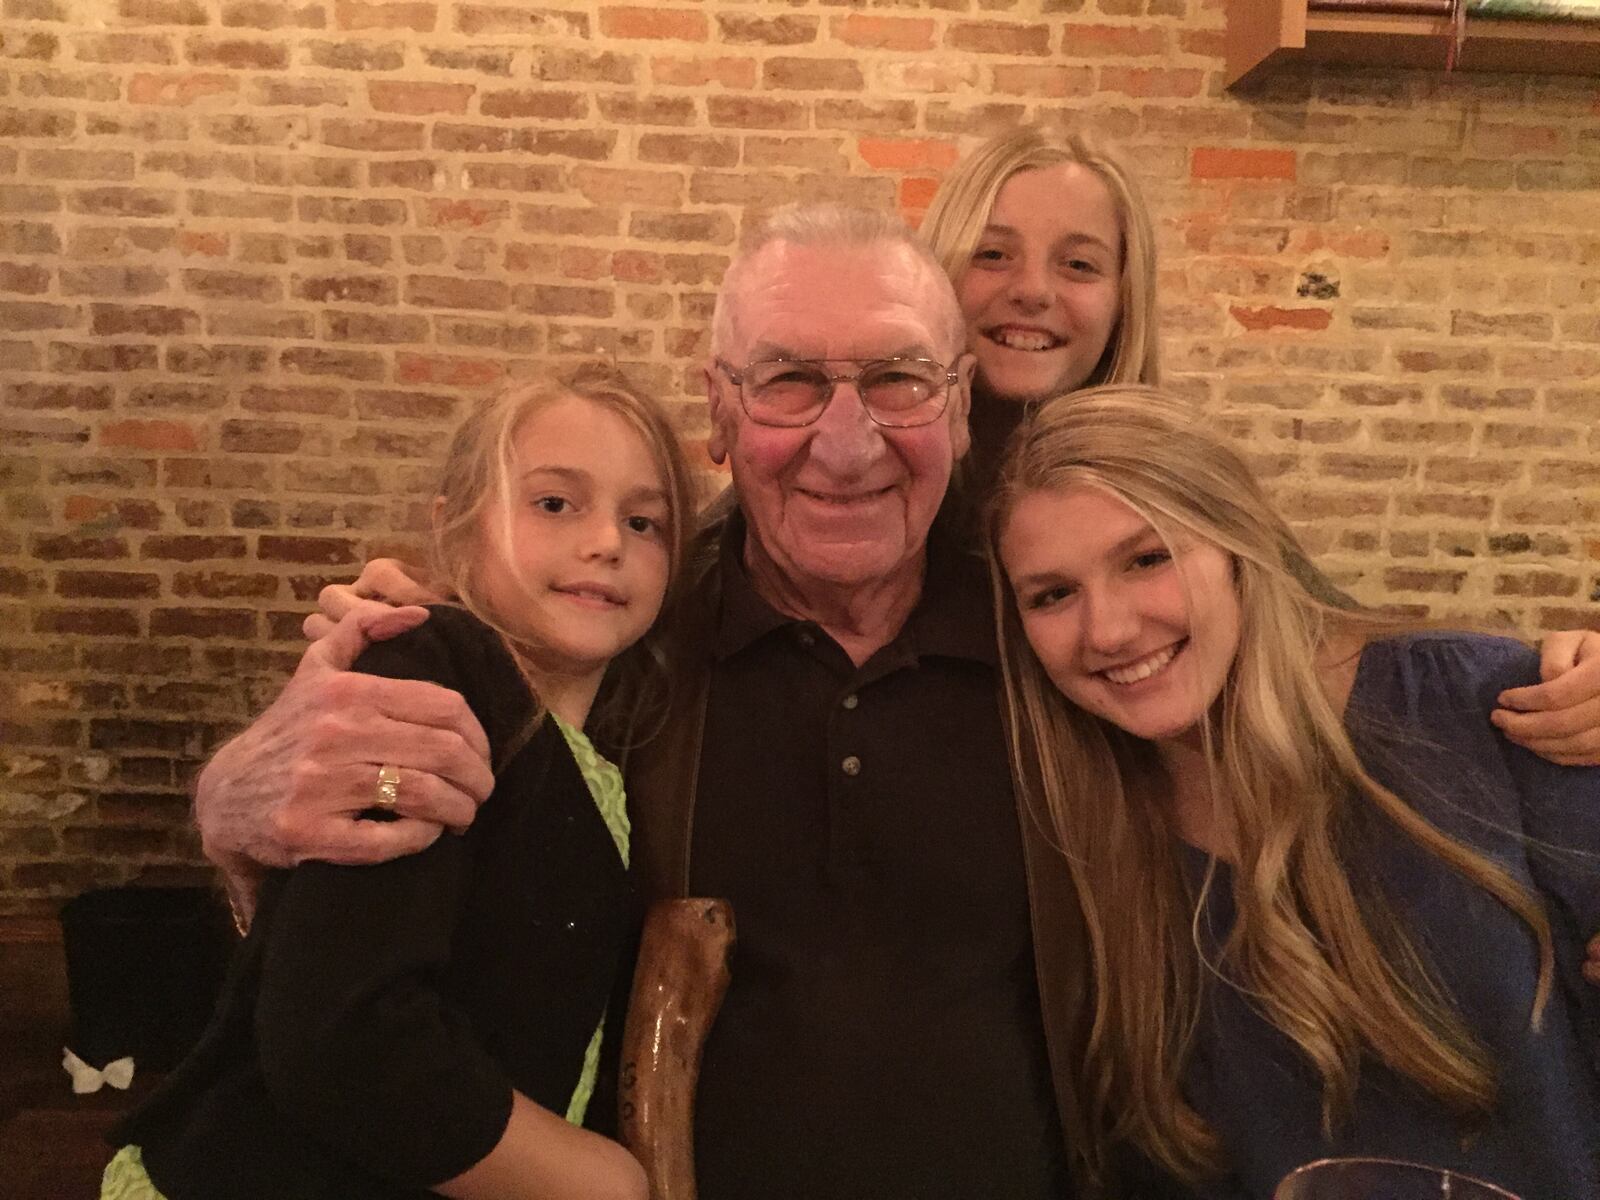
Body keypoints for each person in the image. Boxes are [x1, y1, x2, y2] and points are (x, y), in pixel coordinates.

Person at [188, 184, 1600, 1192]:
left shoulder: (1058, 630)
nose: (848, 441)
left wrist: (1549, 688)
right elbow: (382, 866)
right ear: (721, 408)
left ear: (962, 401)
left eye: (898, 381)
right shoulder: (629, 641)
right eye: (792, 382)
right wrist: (237, 798)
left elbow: (1292, 649)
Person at [989, 384, 1600, 1199]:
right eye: (1053, 594)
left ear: (1240, 547)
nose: (1107, 629)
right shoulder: (1077, 842)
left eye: (1148, 557)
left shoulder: (1488, 708)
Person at [103, 363, 698, 1200]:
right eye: (554, 503)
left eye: (644, 521)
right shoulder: (430, 677)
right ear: (454, 525)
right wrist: (599, 1180)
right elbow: (342, 1037)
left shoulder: (594, 755)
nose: (607, 540)